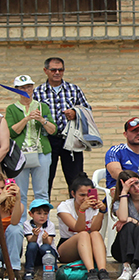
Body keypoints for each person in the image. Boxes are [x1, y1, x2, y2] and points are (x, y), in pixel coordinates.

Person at [33, 57, 91, 193]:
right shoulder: (38, 92)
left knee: (75, 179)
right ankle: (42, 213)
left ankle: (78, 212)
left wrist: (76, 113)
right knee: (45, 179)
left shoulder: (73, 89)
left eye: (61, 70)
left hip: (71, 139)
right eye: (53, 70)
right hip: (47, 140)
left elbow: (88, 111)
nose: (57, 72)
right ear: (45, 71)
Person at [7, 74, 56, 224]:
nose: (26, 90)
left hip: (41, 153)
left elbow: (53, 130)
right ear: (16, 90)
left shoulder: (42, 106)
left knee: (41, 191)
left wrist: (42, 120)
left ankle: (43, 223)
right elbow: (11, 132)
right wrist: (27, 118)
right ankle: (20, 224)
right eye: (22, 88)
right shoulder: (12, 109)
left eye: (28, 86)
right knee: (19, 192)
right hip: (20, 155)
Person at [56, 173, 110, 280]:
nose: (85, 199)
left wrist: (101, 212)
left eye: (88, 195)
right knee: (84, 234)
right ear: (73, 194)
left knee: (94, 234)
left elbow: (96, 228)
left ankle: (102, 271)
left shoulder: (93, 206)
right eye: (81, 195)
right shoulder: (64, 206)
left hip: (88, 247)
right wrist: (82, 211)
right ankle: (91, 272)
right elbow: (78, 229)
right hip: (67, 246)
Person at [21, 198, 56, 280]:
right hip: (35, 255)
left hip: (48, 254)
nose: (42, 216)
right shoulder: (27, 224)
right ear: (31, 214)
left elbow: (49, 242)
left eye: (45, 213)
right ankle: (29, 270)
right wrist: (35, 236)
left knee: (45, 247)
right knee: (32, 245)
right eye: (39, 213)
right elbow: (30, 240)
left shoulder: (50, 225)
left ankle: (53, 268)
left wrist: (45, 239)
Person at [0, 180, 23, 276]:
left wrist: (18, 199)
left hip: (11, 248)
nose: (1, 191)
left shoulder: (15, 206)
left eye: (2, 188)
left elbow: (14, 222)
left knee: (16, 228)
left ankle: (12, 270)